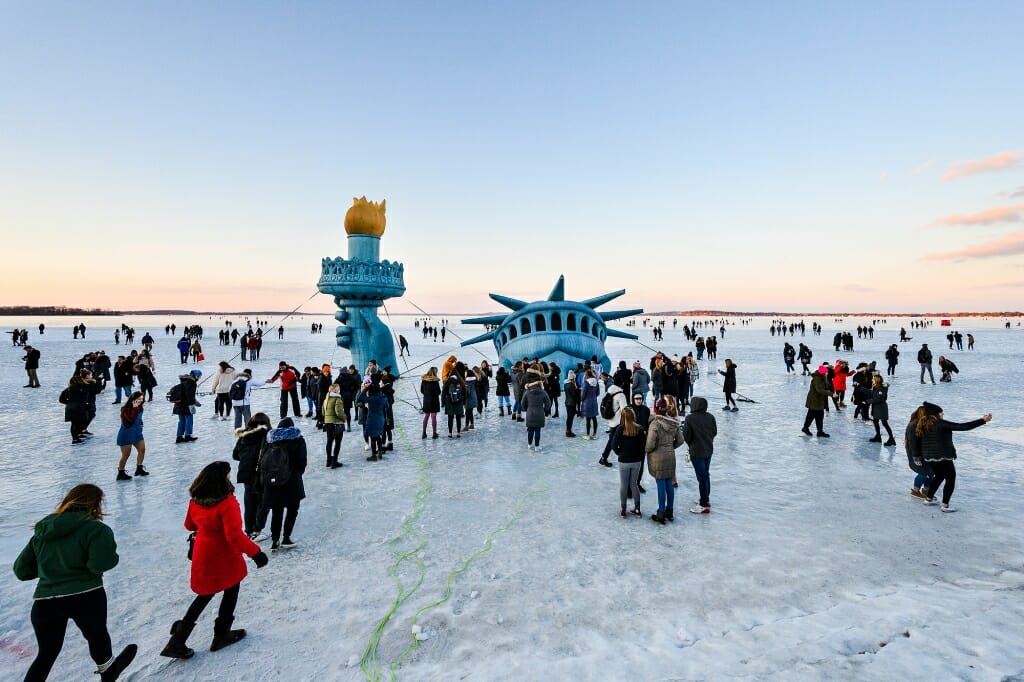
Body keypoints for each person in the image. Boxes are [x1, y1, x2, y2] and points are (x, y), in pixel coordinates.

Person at [13, 484, 137, 682]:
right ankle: (108, 672)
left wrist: (52, 569)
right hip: (86, 596)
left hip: (45, 602)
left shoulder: (42, 532)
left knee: (46, 655)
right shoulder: (96, 529)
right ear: (95, 504)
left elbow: (21, 570)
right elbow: (99, 564)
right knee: (97, 638)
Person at [160, 462, 268, 659]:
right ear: (222, 479)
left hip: (203, 552)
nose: (230, 478)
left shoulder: (196, 500)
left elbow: (188, 524)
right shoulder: (227, 503)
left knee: (205, 593)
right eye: (228, 475)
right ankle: (222, 634)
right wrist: (256, 553)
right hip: (223, 555)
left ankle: (177, 640)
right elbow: (234, 536)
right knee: (232, 587)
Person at [918, 403, 992, 512]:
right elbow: (963, 427)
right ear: (936, 414)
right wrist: (982, 420)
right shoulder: (940, 423)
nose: (943, 413)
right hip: (943, 457)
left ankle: (928, 499)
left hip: (929, 457)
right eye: (941, 412)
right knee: (950, 479)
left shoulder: (923, 424)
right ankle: (945, 505)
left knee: (938, 476)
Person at [260, 418, 307, 550]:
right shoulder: (298, 439)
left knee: (276, 511)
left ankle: (275, 540)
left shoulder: (270, 440)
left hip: (272, 482)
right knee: (292, 510)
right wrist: (297, 474)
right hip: (292, 480)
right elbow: (302, 461)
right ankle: (286, 537)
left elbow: (263, 459)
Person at [232, 413, 272, 538]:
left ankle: (249, 530)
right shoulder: (267, 435)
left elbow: (235, 455)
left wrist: (246, 459)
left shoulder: (243, 436)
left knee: (249, 502)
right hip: (261, 473)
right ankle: (258, 530)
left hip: (246, 474)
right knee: (263, 502)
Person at [645, 398, 683, 524]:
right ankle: (670, 511)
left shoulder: (655, 424)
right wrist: (670, 447)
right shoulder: (673, 422)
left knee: (661, 484)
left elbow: (650, 444)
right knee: (669, 484)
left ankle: (661, 512)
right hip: (670, 456)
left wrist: (647, 450)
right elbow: (680, 440)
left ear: (655, 409)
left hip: (658, 458)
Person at [683, 397, 717, 513]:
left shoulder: (690, 418)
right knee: (705, 475)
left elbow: (686, 436)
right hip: (708, 450)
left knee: (702, 477)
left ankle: (703, 504)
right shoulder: (710, 416)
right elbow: (714, 432)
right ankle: (705, 499)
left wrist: (692, 443)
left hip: (696, 452)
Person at [612, 407, 645, 517]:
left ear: (623, 417)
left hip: (624, 461)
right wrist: (639, 457)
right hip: (636, 461)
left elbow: (613, 445)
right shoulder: (639, 429)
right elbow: (642, 447)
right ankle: (637, 508)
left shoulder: (620, 429)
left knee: (624, 485)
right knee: (634, 484)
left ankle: (623, 508)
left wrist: (620, 453)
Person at [116, 392, 147, 480]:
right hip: (126, 434)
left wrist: (141, 423)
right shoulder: (125, 409)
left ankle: (139, 468)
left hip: (137, 433)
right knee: (126, 455)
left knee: (142, 450)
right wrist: (134, 409)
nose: (141, 400)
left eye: (142, 399)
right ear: (133, 399)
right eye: (139, 399)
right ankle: (121, 472)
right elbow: (129, 422)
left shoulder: (140, 408)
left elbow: (138, 418)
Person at [904, 406, 933, 500]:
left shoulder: (923, 423)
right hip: (915, 453)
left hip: (925, 452)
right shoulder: (913, 425)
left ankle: (926, 489)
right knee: (923, 472)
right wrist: (916, 457)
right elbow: (913, 443)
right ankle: (915, 490)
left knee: (932, 471)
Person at [598, 382, 629, 467]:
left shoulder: (610, 391)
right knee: (614, 440)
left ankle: (604, 457)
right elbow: (624, 410)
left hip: (611, 421)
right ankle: (604, 458)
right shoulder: (621, 395)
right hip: (619, 422)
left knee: (613, 439)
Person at [520, 370, 551, 451]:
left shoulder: (527, 392)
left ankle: (529, 445)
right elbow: (548, 403)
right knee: (537, 430)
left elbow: (522, 403)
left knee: (530, 430)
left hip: (530, 412)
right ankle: (537, 446)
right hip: (540, 412)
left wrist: (525, 409)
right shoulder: (543, 392)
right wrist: (545, 410)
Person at [802, 365, 835, 438]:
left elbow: (825, 386)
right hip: (814, 400)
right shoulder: (817, 379)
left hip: (819, 400)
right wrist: (831, 394)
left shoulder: (822, 377)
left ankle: (820, 431)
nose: (827, 373)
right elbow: (819, 390)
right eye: (826, 372)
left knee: (820, 416)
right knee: (811, 416)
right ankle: (805, 428)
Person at [357, 382, 388, 459]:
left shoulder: (371, 398)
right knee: (378, 436)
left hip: (372, 418)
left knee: (373, 437)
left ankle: (374, 455)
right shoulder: (383, 397)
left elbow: (360, 398)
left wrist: (365, 388)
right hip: (380, 418)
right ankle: (380, 453)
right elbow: (387, 406)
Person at [172, 370, 202, 443]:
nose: (199, 378)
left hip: (179, 405)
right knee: (189, 420)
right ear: (195, 376)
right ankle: (187, 436)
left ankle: (179, 437)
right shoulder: (191, 383)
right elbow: (189, 395)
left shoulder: (184, 381)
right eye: (199, 376)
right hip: (186, 405)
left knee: (181, 421)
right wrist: (192, 405)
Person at [867, 375, 896, 446]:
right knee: (875, 421)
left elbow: (878, 399)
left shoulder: (881, 389)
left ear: (876, 380)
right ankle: (878, 436)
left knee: (884, 423)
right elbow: (871, 393)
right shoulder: (876, 387)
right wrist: (860, 387)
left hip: (881, 409)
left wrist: (867, 401)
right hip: (877, 408)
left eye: (873, 379)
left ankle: (891, 439)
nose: (872, 380)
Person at [322, 383, 346, 467]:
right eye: (339, 388)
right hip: (336, 423)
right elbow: (338, 412)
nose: (340, 390)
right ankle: (334, 461)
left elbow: (323, 412)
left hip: (328, 423)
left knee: (329, 441)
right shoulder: (337, 399)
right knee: (337, 442)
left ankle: (328, 460)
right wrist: (344, 418)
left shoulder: (326, 399)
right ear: (336, 390)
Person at [441, 369, 467, 438]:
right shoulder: (460, 382)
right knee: (458, 418)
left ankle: (450, 433)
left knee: (450, 418)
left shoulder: (448, 382)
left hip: (449, 402)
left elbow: (443, 393)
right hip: (459, 402)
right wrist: (464, 402)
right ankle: (458, 433)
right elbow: (464, 393)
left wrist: (443, 403)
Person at [419, 367, 442, 439]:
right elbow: (438, 392)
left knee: (426, 416)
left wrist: (427, 395)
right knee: (433, 416)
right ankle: (434, 433)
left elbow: (422, 390)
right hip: (434, 401)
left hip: (426, 400)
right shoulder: (435, 381)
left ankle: (424, 433)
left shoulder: (424, 380)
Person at [580, 369, 600, 439]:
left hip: (587, 402)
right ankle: (594, 434)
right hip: (594, 401)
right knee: (594, 418)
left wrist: (581, 399)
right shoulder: (596, 382)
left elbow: (583, 394)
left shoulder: (586, 383)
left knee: (588, 419)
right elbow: (598, 393)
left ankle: (588, 435)